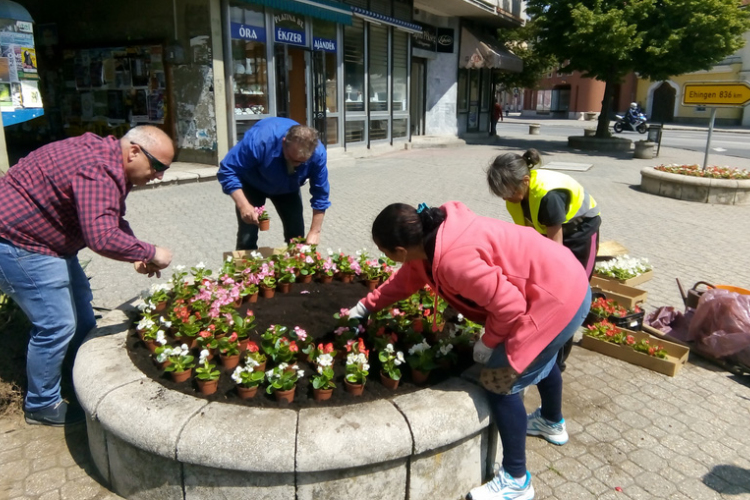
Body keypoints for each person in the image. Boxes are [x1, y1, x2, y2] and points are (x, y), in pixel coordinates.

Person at [347, 201, 591, 500]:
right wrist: (366, 305)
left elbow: (510, 307)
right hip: (563, 279)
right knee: (540, 355)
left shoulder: (453, 259)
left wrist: (488, 343)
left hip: (558, 298)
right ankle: (551, 422)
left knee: (499, 381)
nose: (389, 259)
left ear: (399, 251)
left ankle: (517, 480)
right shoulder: (431, 236)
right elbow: (407, 279)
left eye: (386, 253)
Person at [0, 125, 174, 426]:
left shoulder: (109, 160)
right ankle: (41, 405)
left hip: (48, 242)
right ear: (134, 151)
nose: (159, 175)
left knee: (82, 313)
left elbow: (110, 217)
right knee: (57, 324)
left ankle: (77, 375)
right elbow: (102, 236)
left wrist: (135, 252)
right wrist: (151, 251)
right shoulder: (98, 168)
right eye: (157, 166)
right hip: (19, 242)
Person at [486, 148, 601, 372]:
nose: (504, 198)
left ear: (525, 181)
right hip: (551, 232)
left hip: (580, 234)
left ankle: (558, 360)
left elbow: (555, 252)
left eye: (507, 192)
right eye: (501, 194)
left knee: (571, 296)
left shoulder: (548, 197)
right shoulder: (517, 197)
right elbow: (527, 239)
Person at [218, 117, 330, 250]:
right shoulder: (259, 141)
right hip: (253, 184)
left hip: (288, 188)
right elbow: (227, 170)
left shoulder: (317, 154)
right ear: (284, 143)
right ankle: (246, 267)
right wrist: (243, 205)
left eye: (302, 162)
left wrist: (315, 231)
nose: (296, 165)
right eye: (294, 160)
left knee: (296, 236)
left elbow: (320, 194)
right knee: (247, 236)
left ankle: (293, 268)